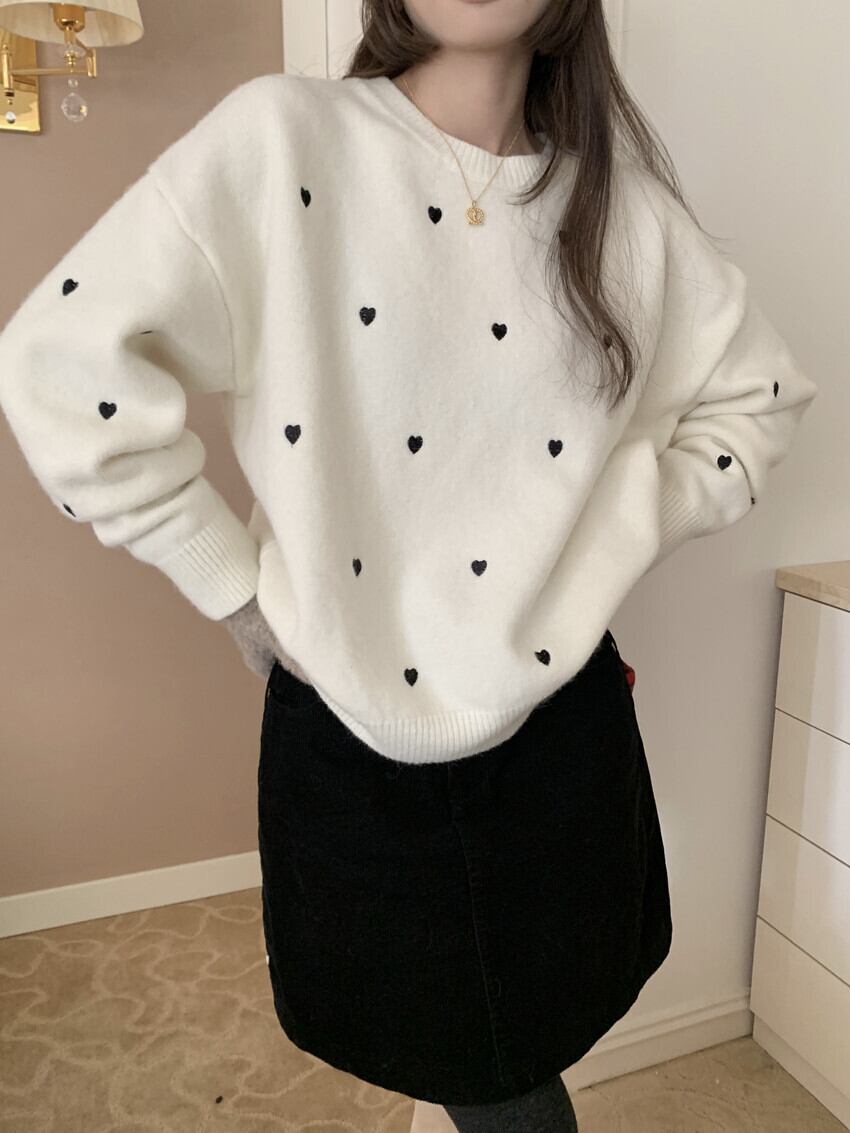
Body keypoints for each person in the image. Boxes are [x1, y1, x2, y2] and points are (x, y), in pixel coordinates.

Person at [0, 1, 818, 1130]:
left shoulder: (624, 211)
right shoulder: (282, 140)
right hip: (349, 743)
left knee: (524, 1062)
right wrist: (231, 586)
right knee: (475, 1073)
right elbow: (58, 364)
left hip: (559, 741)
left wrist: (621, 523)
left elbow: (758, 398)